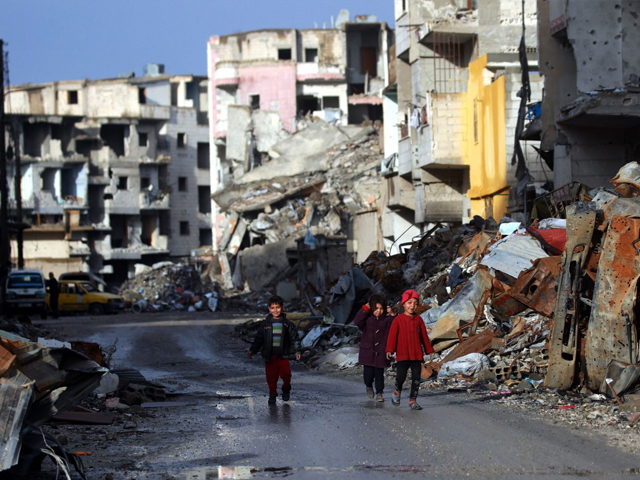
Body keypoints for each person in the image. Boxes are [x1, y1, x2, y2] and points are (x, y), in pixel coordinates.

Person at [386, 289, 434, 410]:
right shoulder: (398, 320)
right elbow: (392, 336)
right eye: (409, 303)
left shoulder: (419, 320)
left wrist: (429, 350)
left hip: (416, 355)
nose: (412, 306)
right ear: (403, 304)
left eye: (415, 303)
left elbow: (424, 336)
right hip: (402, 354)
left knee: (416, 378)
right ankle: (397, 391)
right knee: (401, 377)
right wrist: (389, 350)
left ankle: (413, 400)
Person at [248, 295, 301, 405]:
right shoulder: (265, 324)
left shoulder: (287, 324)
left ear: (282, 308)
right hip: (270, 355)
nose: (275, 310)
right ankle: (272, 394)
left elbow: (294, 338)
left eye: (277, 307)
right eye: (273, 308)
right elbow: (259, 339)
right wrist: (253, 350)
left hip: (283, 355)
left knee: (286, 375)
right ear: (269, 309)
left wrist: (297, 351)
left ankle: (286, 388)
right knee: (271, 378)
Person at [353, 294, 395, 402]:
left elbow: (395, 325)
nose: (379, 311)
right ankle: (368, 386)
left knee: (379, 374)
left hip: (381, 351)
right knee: (368, 374)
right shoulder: (367, 319)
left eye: (381, 308)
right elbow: (357, 321)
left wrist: (392, 314)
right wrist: (365, 308)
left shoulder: (387, 319)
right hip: (368, 351)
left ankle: (379, 393)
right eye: (376, 308)